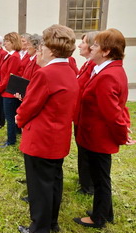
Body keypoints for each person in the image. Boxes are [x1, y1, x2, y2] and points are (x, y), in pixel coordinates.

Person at [16, 24, 78, 233]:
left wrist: (19, 118)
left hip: (41, 140)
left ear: (50, 49)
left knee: (39, 186)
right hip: (58, 137)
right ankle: (51, 222)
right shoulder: (69, 70)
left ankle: (39, 228)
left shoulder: (46, 73)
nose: (40, 48)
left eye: (42, 44)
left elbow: (29, 107)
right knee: (53, 182)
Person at [73, 28, 134, 229]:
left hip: (98, 137)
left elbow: (113, 112)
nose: (92, 48)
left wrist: (122, 134)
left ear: (106, 51)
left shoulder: (108, 75)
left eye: (96, 45)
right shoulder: (105, 70)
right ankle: (105, 213)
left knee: (100, 179)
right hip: (94, 135)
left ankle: (98, 219)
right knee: (101, 177)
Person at [74, 31, 99, 195]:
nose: (79, 45)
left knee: (87, 151)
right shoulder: (86, 64)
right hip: (78, 115)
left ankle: (88, 185)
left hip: (86, 117)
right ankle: (84, 179)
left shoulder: (93, 66)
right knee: (82, 149)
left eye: (82, 42)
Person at [0, 32, 22, 148]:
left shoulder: (14, 56)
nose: (5, 43)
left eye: (7, 41)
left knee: (9, 117)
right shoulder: (10, 55)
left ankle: (11, 140)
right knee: (10, 116)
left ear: (13, 43)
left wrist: (0, 88)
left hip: (9, 92)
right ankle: (13, 135)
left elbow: (10, 76)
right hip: (6, 90)